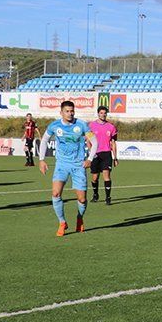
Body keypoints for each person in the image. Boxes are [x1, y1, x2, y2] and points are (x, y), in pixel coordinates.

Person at [38, 101, 97, 236]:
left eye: (72, 111)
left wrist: (89, 159)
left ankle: (80, 218)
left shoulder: (81, 125)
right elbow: (44, 141)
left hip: (78, 165)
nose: (70, 113)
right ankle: (62, 222)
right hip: (62, 165)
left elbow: (95, 142)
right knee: (55, 193)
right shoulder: (54, 126)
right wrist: (41, 160)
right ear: (61, 112)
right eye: (67, 111)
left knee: (82, 199)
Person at [89, 106, 118, 205]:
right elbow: (88, 141)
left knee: (107, 176)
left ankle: (108, 197)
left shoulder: (111, 127)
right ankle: (95, 194)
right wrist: (91, 152)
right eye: (101, 113)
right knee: (95, 177)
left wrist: (115, 157)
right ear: (98, 114)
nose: (103, 115)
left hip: (106, 154)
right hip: (95, 154)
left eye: (105, 113)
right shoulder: (91, 126)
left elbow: (113, 143)